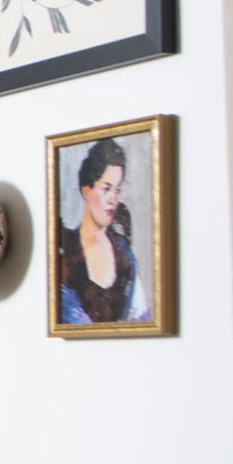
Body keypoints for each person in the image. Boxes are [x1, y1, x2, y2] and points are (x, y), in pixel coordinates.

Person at [57, 136, 144, 324]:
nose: (113, 199)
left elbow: (141, 315)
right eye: (106, 189)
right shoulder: (67, 253)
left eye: (117, 190)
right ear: (86, 190)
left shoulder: (124, 253)